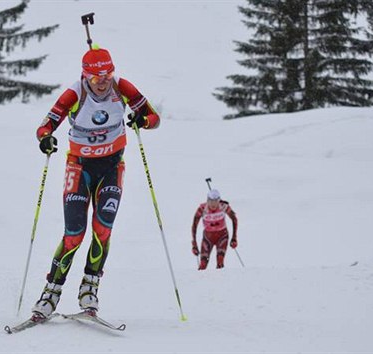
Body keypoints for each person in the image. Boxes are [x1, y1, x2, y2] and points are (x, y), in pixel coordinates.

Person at [31, 45, 160, 319]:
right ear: (85, 76)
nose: (103, 82)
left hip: (112, 166)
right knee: (74, 233)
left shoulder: (122, 87)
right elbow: (46, 124)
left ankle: (90, 287)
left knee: (102, 229)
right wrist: (45, 138)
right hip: (80, 167)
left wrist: (143, 120)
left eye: (108, 74)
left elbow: (154, 118)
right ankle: (50, 293)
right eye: (96, 77)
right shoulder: (75, 93)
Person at [191, 189, 238, 270]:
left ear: (219, 200)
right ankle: (199, 281)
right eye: (210, 201)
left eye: (215, 201)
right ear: (207, 200)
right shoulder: (202, 208)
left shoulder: (223, 206)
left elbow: (234, 219)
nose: (213, 204)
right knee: (203, 264)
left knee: (220, 262)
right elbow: (194, 225)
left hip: (222, 236)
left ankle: (220, 281)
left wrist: (234, 238)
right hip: (208, 238)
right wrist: (194, 244)